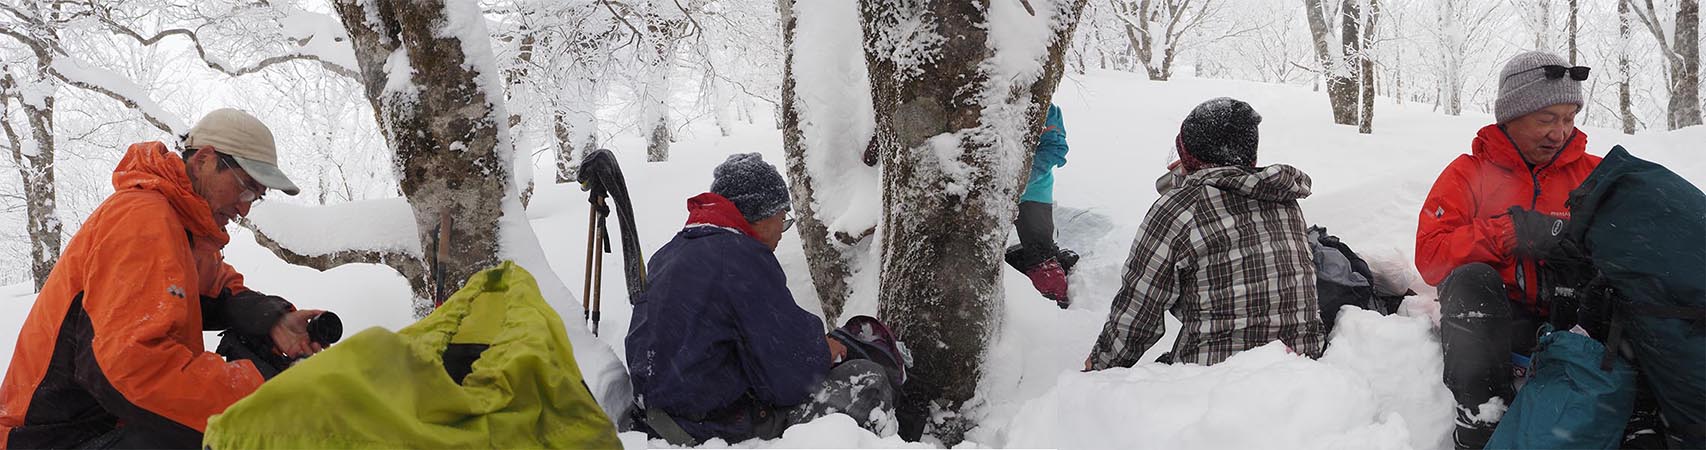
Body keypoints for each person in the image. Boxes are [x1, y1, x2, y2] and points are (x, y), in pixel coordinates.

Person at [0, 108, 322, 449]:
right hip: (52, 437)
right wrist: (262, 396)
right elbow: (132, 369)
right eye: (245, 188)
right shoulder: (142, 219)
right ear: (204, 160)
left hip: (104, 422)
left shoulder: (182, 229)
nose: (244, 209)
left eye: (256, 197)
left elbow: (217, 289)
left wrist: (273, 319)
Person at [626, 153, 897, 445]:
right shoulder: (741, 258)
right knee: (866, 379)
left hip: (658, 414)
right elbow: (790, 379)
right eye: (783, 217)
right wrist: (822, 353)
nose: (782, 229)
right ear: (762, 214)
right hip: (709, 427)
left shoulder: (671, 251)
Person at [1414, 51, 1601, 449]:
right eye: (1546, 119)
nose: (1559, 133)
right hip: (1498, 322)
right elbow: (1431, 257)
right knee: (1470, 279)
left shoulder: (1595, 175)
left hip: (1577, 322)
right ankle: (1482, 421)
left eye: (1569, 119)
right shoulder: (1467, 174)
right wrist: (1507, 232)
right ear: (1510, 117)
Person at [1085, 97, 1324, 370]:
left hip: (1215, 378)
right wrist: (1191, 179)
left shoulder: (1178, 209)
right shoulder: (1285, 201)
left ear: (1189, 157)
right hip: (1300, 370)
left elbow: (1139, 313)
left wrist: (1099, 365)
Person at [1007, 104, 1078, 308]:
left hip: (1033, 194)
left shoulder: (1046, 109)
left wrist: (1021, 179)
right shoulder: (997, 101)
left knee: (1041, 257)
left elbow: (1056, 149)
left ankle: (1056, 300)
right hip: (1001, 194)